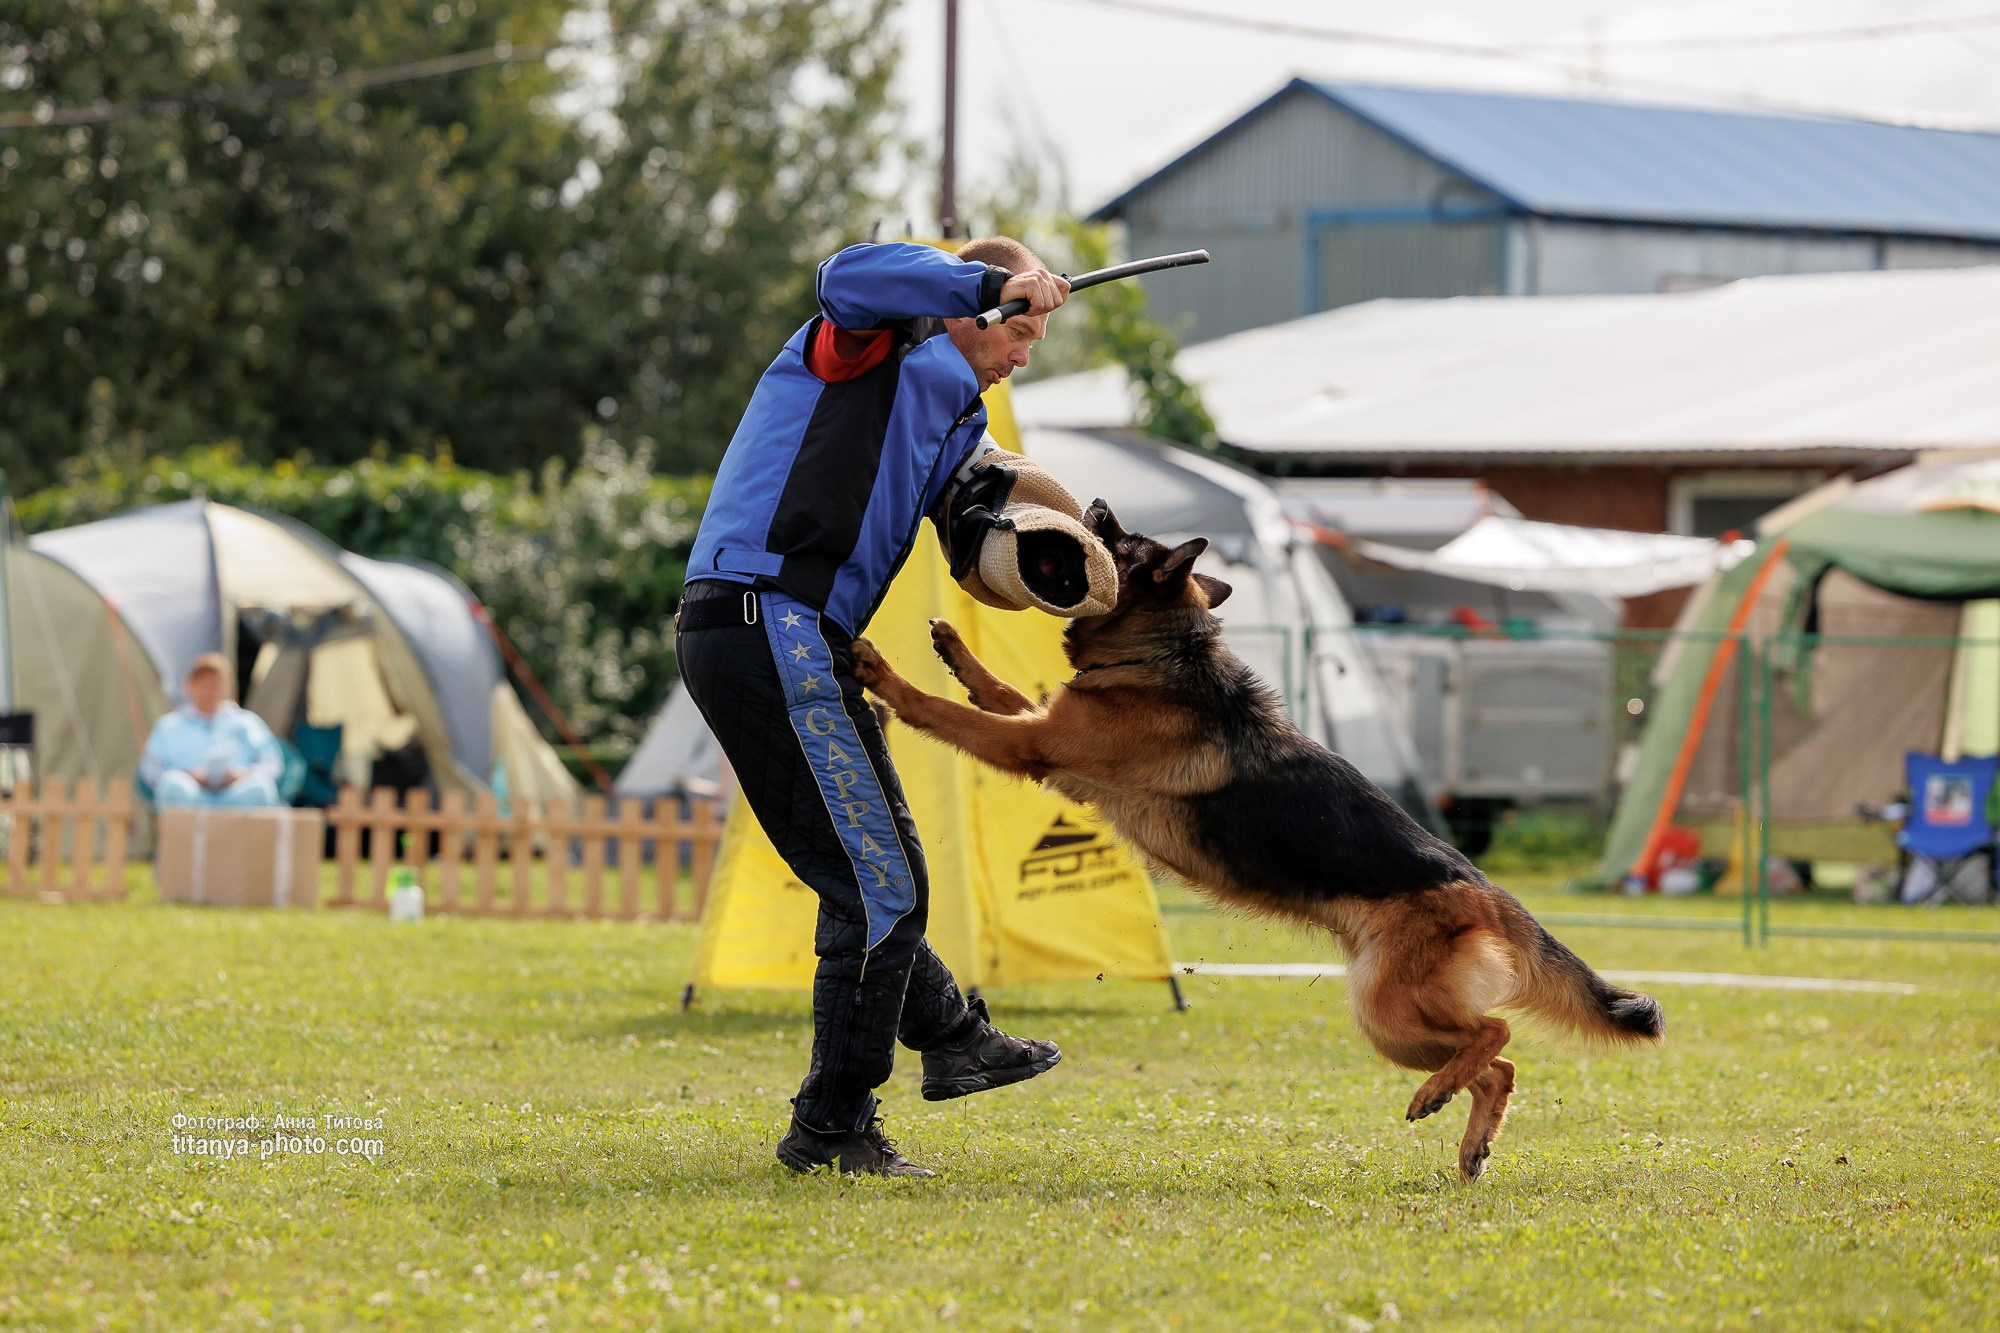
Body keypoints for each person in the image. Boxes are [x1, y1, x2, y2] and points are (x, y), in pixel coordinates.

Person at [676, 237, 1071, 1177]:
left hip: (775, 634)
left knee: (864, 866)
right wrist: (986, 282)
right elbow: (840, 273)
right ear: (968, 307)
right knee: (881, 878)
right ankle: (831, 1126)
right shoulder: (864, 340)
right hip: (769, 618)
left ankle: (951, 1035)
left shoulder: (954, 422)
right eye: (1021, 327)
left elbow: (985, 536)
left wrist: (1088, 546)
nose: (1025, 353)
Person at [141, 653, 286, 808]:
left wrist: (241, 776)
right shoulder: (169, 726)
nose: (208, 692)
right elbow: (151, 769)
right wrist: (188, 776)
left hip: (236, 797)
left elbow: (272, 762)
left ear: (226, 688)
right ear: (190, 686)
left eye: (214, 685)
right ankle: (193, 830)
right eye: (203, 684)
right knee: (171, 785)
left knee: (262, 788)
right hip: (191, 798)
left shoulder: (247, 723)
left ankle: (238, 831)